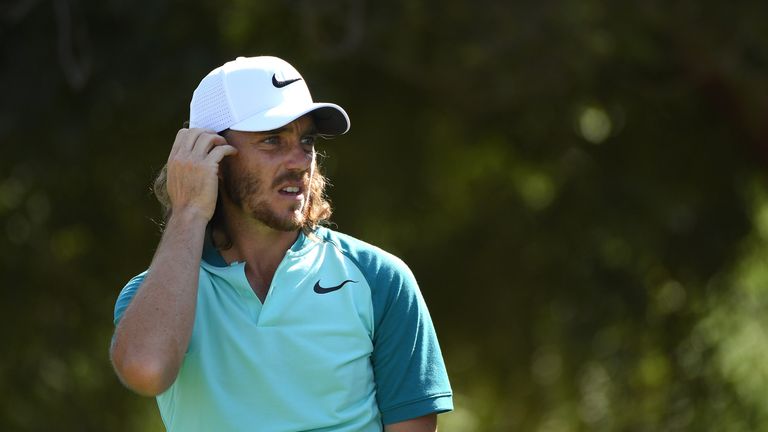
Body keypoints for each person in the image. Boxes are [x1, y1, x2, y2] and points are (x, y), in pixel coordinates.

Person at [109, 56, 453, 432]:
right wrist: (189, 210)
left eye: (305, 140)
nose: (299, 161)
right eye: (272, 139)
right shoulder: (155, 294)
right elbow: (145, 370)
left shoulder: (379, 280)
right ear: (209, 155)